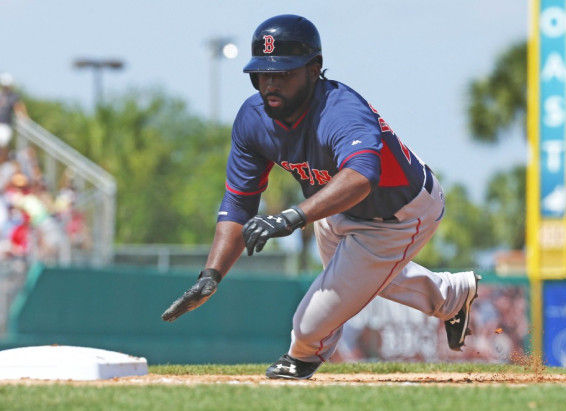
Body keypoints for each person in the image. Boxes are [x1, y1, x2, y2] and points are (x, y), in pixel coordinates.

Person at [162, 14, 480, 380]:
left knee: (307, 328)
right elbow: (238, 203)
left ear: (314, 69)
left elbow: (362, 177)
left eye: (284, 73)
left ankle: (303, 357)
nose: (270, 83)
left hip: (399, 213)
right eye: (263, 73)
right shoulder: (252, 120)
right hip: (332, 213)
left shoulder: (340, 110)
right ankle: (453, 296)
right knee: (362, 276)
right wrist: (211, 276)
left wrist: (290, 218)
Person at [0, 73, 28, 151]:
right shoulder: (1, 95)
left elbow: (19, 108)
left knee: (2, 146)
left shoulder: (13, 96)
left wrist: (23, 118)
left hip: (5, 125)